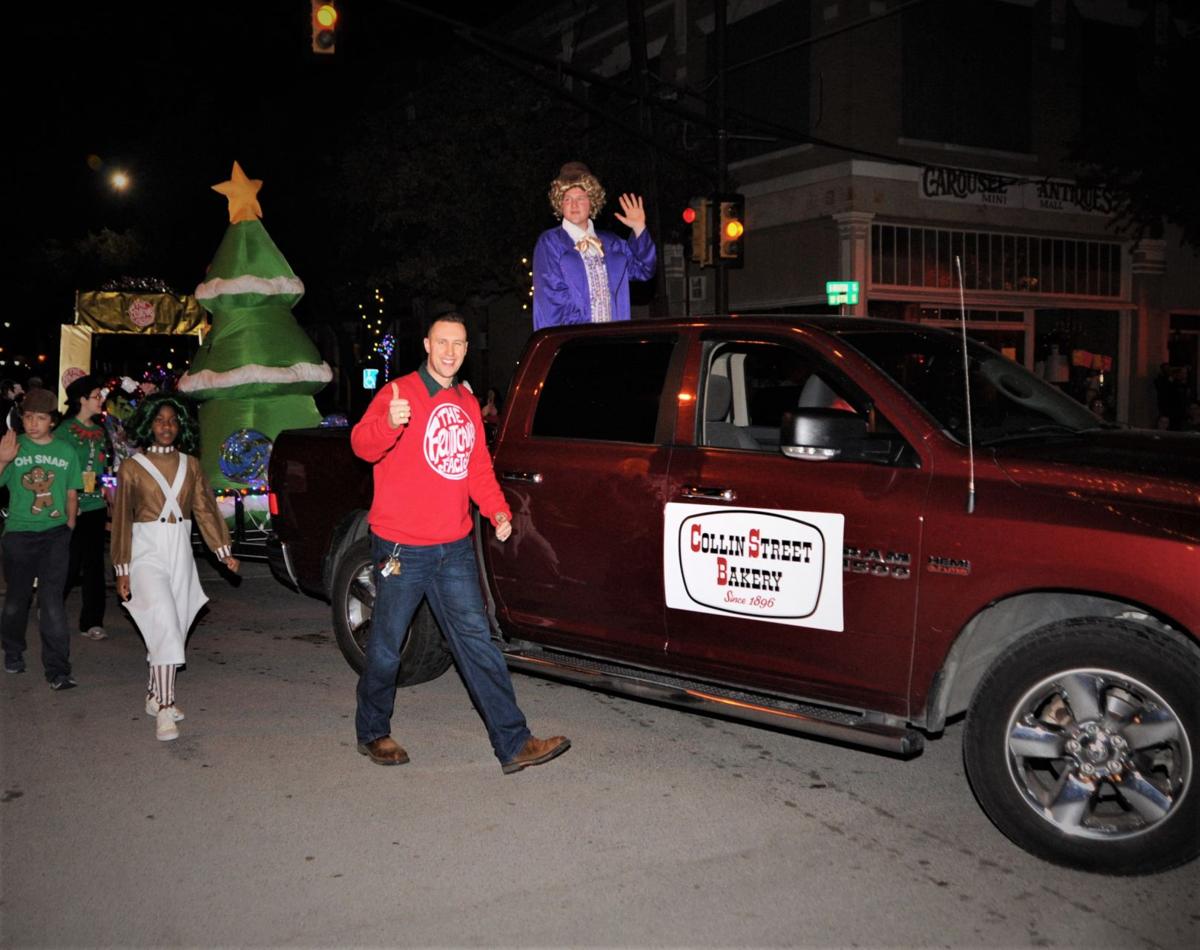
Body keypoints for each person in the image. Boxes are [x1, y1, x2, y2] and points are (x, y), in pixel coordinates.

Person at [350, 312, 570, 773]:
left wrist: (497, 510)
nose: (450, 352)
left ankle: (513, 743)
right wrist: (388, 423)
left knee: (478, 643)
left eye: (459, 344)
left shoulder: (467, 403)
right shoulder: (398, 394)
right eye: (442, 342)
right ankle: (373, 731)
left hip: (453, 547)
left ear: (466, 350)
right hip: (402, 548)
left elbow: (475, 470)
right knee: (388, 645)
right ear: (427, 346)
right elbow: (363, 446)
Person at [110, 393, 240, 741]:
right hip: (146, 552)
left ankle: (154, 694)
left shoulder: (191, 465)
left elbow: (205, 510)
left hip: (180, 549)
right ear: (148, 424)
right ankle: (166, 708)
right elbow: (121, 519)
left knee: (175, 624)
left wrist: (222, 550)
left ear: (180, 425)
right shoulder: (132, 467)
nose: (166, 426)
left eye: (172, 420)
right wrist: (122, 569)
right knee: (165, 622)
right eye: (159, 420)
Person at [0, 387, 82, 687]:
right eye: (29, 417)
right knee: (16, 601)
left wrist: (69, 523)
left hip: (55, 535)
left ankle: (59, 670)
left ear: (53, 421)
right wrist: (3, 460)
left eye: (41, 417)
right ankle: (12, 649)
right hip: (19, 535)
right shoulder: (13, 445)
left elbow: (72, 492)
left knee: (51, 603)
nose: (33, 423)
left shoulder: (66, 451)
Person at [531, 161, 656, 331]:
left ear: (592, 202)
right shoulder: (550, 243)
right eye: (567, 199)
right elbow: (553, 302)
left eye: (580, 198)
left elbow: (644, 269)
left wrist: (638, 227)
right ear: (560, 203)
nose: (574, 205)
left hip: (611, 342)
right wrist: (588, 336)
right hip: (573, 344)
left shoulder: (612, 243)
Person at [55, 375, 111, 640]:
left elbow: (101, 469)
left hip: (95, 506)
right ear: (82, 400)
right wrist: (67, 503)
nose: (101, 400)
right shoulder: (63, 432)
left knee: (94, 565)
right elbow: (57, 472)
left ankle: (92, 621)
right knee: (68, 563)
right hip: (71, 507)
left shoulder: (101, 432)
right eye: (96, 396)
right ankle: (51, 606)